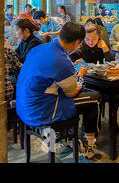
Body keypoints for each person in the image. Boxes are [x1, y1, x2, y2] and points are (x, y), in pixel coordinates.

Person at [17, 22, 101, 159]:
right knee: (94, 99)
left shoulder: (39, 48)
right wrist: (80, 75)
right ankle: (90, 145)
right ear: (77, 42)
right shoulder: (61, 60)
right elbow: (73, 93)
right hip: (41, 112)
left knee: (62, 94)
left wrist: (70, 70)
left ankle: (67, 138)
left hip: (23, 107)